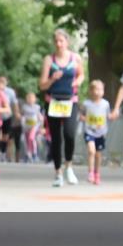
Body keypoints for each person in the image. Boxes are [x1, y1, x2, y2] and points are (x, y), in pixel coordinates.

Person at [38, 29, 85, 187]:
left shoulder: (75, 58)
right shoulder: (49, 60)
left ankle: (69, 166)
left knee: (70, 134)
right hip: (53, 102)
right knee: (56, 137)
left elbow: (81, 75)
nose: (59, 44)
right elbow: (42, 85)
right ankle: (58, 173)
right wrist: (52, 78)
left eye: (61, 41)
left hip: (70, 101)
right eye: (56, 41)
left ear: (67, 42)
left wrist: (77, 82)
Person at [80, 79, 112, 184]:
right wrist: (83, 118)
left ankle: (97, 173)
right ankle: (90, 173)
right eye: (95, 89)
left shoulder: (105, 104)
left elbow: (108, 116)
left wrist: (112, 116)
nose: (97, 92)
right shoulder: (86, 103)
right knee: (91, 151)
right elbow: (82, 115)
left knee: (98, 154)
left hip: (101, 132)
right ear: (90, 91)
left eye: (100, 89)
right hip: (89, 131)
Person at [0, 75, 22, 161]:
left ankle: (3, 152)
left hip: (7, 116)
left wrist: (17, 113)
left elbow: (14, 103)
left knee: (5, 136)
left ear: (6, 83)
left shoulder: (10, 92)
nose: (1, 83)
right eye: (0, 80)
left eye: (3, 81)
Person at [20, 91, 42, 163]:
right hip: (26, 126)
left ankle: (34, 154)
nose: (30, 99)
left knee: (31, 138)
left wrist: (41, 124)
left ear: (35, 99)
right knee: (26, 140)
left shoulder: (37, 107)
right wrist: (22, 120)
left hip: (34, 125)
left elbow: (39, 116)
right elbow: (22, 115)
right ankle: (28, 154)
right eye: (28, 98)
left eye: (32, 98)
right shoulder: (24, 107)